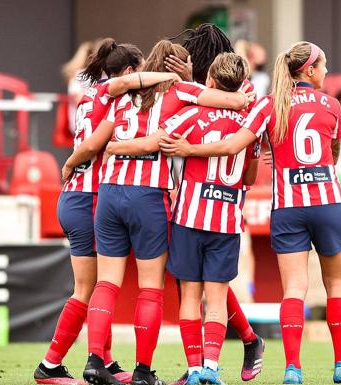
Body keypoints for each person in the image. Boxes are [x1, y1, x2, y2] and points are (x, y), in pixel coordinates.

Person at [159, 41, 341, 384]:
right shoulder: (332, 104)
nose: (326, 71)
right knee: (337, 284)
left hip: (287, 206)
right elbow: (333, 151)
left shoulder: (270, 105)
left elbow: (232, 143)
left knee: (294, 288)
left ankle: (292, 369)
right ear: (310, 70)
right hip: (327, 201)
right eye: (323, 65)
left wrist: (189, 149)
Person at [81, 40, 251, 385]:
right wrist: (187, 80)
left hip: (111, 191)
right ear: (178, 65)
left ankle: (95, 360)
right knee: (150, 289)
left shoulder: (123, 94)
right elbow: (236, 100)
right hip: (148, 195)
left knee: (106, 283)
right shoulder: (181, 90)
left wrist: (103, 151)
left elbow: (99, 132)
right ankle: (143, 371)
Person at [34, 38, 182, 385]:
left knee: (102, 285)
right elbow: (92, 144)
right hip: (89, 196)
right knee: (89, 288)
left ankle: (106, 360)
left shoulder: (89, 96)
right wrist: (70, 162)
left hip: (79, 196)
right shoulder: (113, 94)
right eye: (141, 67)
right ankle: (51, 364)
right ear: (130, 71)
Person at [164, 23, 266, 384]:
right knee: (216, 292)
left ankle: (198, 366)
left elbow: (158, 136)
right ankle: (214, 363)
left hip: (190, 210)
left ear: (207, 71)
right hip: (227, 212)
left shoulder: (193, 108)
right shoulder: (250, 110)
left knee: (192, 292)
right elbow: (252, 168)